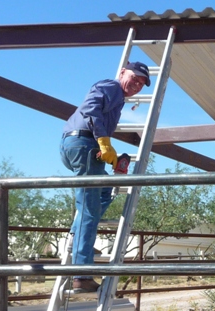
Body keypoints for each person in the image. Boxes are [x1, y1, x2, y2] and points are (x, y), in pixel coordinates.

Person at [60, 61, 150, 292]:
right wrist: (103, 140)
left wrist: (111, 156)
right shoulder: (111, 86)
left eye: (142, 83)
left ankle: (79, 238)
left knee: (103, 193)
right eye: (135, 78)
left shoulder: (116, 98)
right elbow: (90, 109)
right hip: (84, 143)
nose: (137, 84)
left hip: (82, 146)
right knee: (89, 210)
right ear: (122, 73)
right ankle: (81, 274)